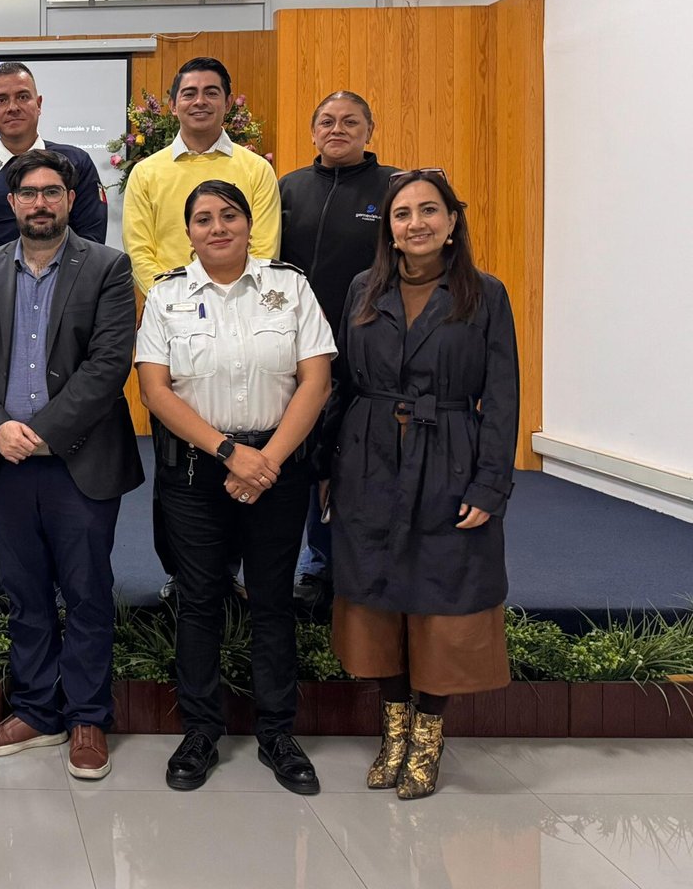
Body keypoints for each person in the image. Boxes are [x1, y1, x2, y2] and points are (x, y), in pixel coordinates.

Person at [135, 179, 334, 795]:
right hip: (198, 471)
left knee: (273, 600)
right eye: (203, 219)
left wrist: (265, 461)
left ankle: (277, 732)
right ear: (188, 232)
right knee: (199, 600)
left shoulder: (289, 287)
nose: (217, 227)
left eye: (229, 216)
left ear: (250, 225)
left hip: (277, 466)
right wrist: (229, 453)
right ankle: (200, 731)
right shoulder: (166, 296)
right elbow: (155, 390)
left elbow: (316, 379)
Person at [328, 168, 518, 799]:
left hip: (450, 457)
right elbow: (342, 384)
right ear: (389, 227)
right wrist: (328, 467)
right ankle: (393, 731)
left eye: (429, 210)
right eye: (403, 213)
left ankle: (428, 737)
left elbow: (503, 397)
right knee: (377, 595)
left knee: (441, 595)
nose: (416, 223)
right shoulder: (362, 288)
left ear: (452, 220)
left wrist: (490, 486)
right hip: (369, 457)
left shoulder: (485, 294)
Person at [0, 149, 142, 781]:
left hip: (79, 459)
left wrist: (42, 433)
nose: (40, 203)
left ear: (70, 199)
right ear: (11, 203)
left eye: (51, 192)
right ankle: (36, 710)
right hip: (3, 460)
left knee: (86, 593)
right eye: (28, 193)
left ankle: (87, 716)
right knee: (24, 592)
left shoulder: (108, 267)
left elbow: (109, 363)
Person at [0, 61, 108, 593]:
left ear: (39, 103)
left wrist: (46, 275)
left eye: (21, 96)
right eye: (1, 99)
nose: (12, 106)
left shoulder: (74, 162)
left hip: (63, 307)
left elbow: (92, 234)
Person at [123, 56, 282, 595]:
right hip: (173, 327)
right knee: (175, 454)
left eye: (211, 92)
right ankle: (180, 572)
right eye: (189, 92)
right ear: (173, 105)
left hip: (246, 325)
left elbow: (264, 247)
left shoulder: (255, 170)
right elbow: (139, 249)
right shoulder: (147, 173)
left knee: (245, 438)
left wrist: (227, 302)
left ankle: (233, 574)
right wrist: (176, 304)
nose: (199, 101)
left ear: (227, 103)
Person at [278, 91, 399, 610]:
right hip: (298, 348)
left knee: (360, 459)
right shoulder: (288, 188)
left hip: (370, 346)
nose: (338, 129)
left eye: (351, 121)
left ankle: (365, 565)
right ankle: (316, 564)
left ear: (369, 131)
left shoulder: (393, 187)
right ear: (313, 132)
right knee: (307, 456)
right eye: (327, 121)